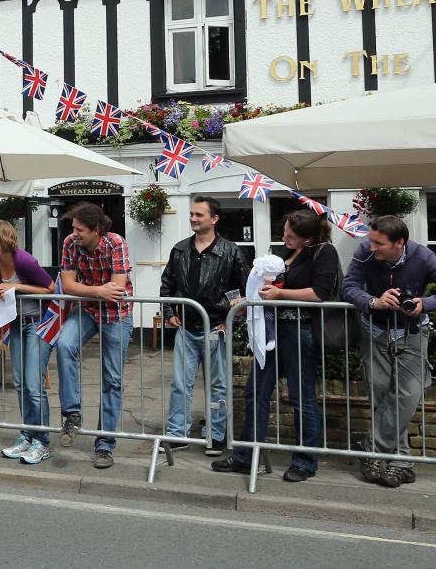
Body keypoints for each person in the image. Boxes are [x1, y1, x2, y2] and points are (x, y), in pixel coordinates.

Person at [212, 208, 337, 483]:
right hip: (269, 328)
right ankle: (247, 455)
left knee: (301, 397)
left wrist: (280, 293)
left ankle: (305, 461)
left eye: (291, 236)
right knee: (255, 391)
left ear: (308, 238)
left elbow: (319, 293)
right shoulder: (284, 252)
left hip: (300, 329)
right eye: (285, 233)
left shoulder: (324, 252)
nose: (285, 238)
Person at [342, 214, 436, 488]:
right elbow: (348, 287)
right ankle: (401, 463)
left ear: (400, 243)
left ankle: (370, 446)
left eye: (379, 244)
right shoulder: (364, 251)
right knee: (382, 394)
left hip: (412, 332)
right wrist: (373, 301)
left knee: (408, 394)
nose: (371, 248)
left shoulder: (425, 257)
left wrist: (425, 303)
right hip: (375, 331)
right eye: (371, 241)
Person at [160, 196, 248, 457]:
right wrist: (167, 312)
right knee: (180, 384)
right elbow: (167, 284)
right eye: (191, 214)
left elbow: (242, 292)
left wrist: (230, 321)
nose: (193, 218)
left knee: (219, 386)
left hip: (216, 328)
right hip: (186, 327)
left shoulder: (231, 251)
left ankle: (216, 435)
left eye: (198, 214)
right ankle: (177, 434)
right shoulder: (179, 249)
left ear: (214, 218)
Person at [54, 202, 133, 470]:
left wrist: (87, 289)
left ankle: (105, 445)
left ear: (96, 229)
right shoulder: (70, 243)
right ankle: (72, 414)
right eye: (73, 228)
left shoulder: (115, 243)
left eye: (80, 229)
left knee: (112, 379)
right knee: (64, 344)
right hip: (87, 310)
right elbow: (67, 284)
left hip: (117, 314)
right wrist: (98, 291)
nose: (74, 233)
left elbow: (118, 288)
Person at [0, 220, 57, 465]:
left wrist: (15, 285)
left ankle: (42, 441)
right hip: (15, 323)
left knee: (34, 384)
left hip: (36, 323)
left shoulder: (24, 260)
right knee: (19, 382)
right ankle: (27, 435)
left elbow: (50, 288)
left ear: (4, 240)